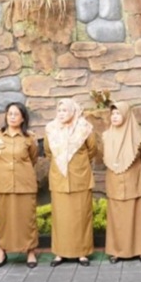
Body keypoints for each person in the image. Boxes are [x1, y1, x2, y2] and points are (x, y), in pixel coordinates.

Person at [44, 98, 99, 267]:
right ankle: (60, 253)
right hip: (59, 179)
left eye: (65, 110)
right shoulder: (51, 129)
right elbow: (48, 152)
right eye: (59, 110)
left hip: (80, 178)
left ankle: (82, 253)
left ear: (73, 111)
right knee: (60, 218)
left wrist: (77, 164)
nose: (61, 114)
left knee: (81, 217)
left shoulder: (84, 128)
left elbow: (92, 150)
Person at [0, 102, 39, 268]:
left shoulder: (29, 138)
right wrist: (4, 169)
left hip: (25, 183)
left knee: (27, 218)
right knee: (5, 219)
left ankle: (30, 252)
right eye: (9, 113)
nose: (12, 117)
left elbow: (33, 158)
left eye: (16, 114)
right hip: (4, 183)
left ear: (23, 118)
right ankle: (2, 251)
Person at [103, 101, 141, 264]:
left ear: (126, 115)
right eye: (113, 114)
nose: (115, 117)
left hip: (134, 180)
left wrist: (131, 166)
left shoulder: (137, 136)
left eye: (118, 113)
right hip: (114, 181)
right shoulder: (106, 136)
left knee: (137, 214)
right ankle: (117, 251)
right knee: (117, 217)